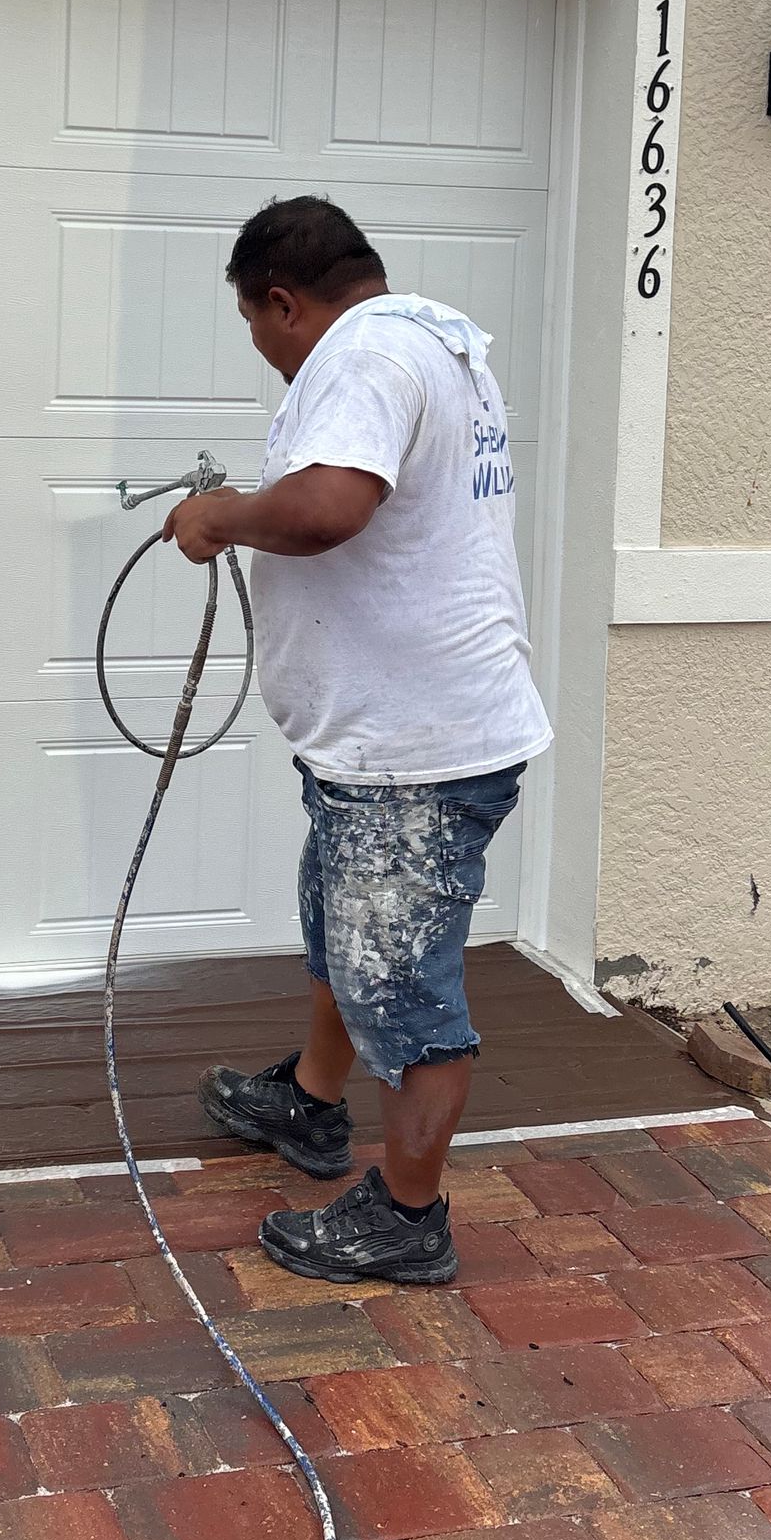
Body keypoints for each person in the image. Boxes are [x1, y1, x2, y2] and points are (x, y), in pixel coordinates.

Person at [164, 195, 551, 1285]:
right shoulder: (428, 340)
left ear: (283, 301)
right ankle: (311, 1103)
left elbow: (329, 508)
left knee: (401, 989)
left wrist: (220, 516)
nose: (263, 346)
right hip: (386, 741)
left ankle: (409, 1218)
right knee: (348, 938)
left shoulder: (367, 357)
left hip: (416, 751)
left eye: (254, 322)